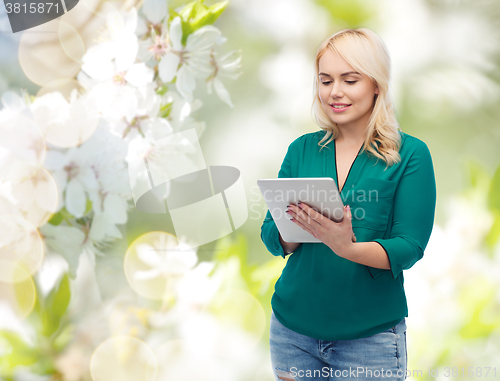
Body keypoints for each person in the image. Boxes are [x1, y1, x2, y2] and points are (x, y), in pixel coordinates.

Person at [260, 28, 436, 381]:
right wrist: (294, 228)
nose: (335, 92)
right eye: (326, 81)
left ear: (376, 85)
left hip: (368, 338)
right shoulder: (303, 149)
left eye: (349, 80)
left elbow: (409, 248)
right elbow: (270, 234)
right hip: (293, 331)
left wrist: (346, 247)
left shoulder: (410, 155)